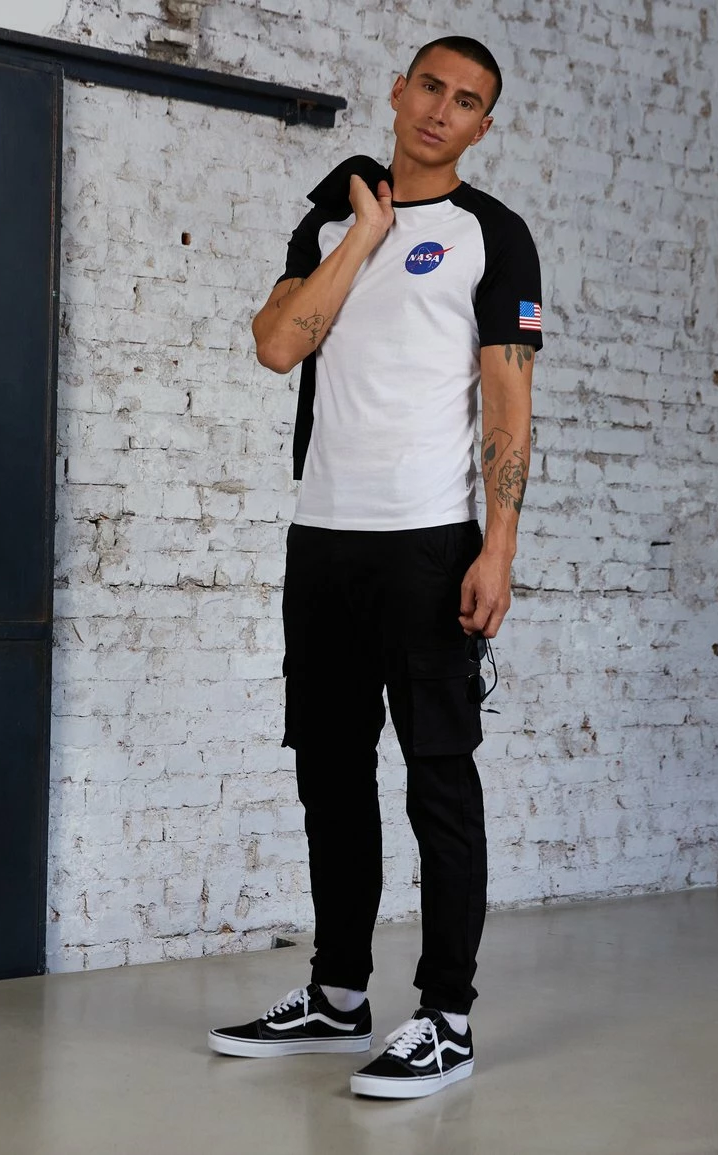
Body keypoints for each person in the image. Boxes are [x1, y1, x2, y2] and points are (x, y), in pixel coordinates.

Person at [208, 35, 542, 1100]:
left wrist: (497, 546)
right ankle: (338, 994)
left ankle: (445, 1017)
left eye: (467, 101)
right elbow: (279, 344)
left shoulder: (494, 235)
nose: (442, 110)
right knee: (331, 772)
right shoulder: (327, 223)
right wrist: (365, 232)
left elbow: (508, 402)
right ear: (397, 93)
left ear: (483, 126)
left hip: (430, 543)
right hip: (324, 539)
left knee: (438, 774)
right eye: (430, 87)